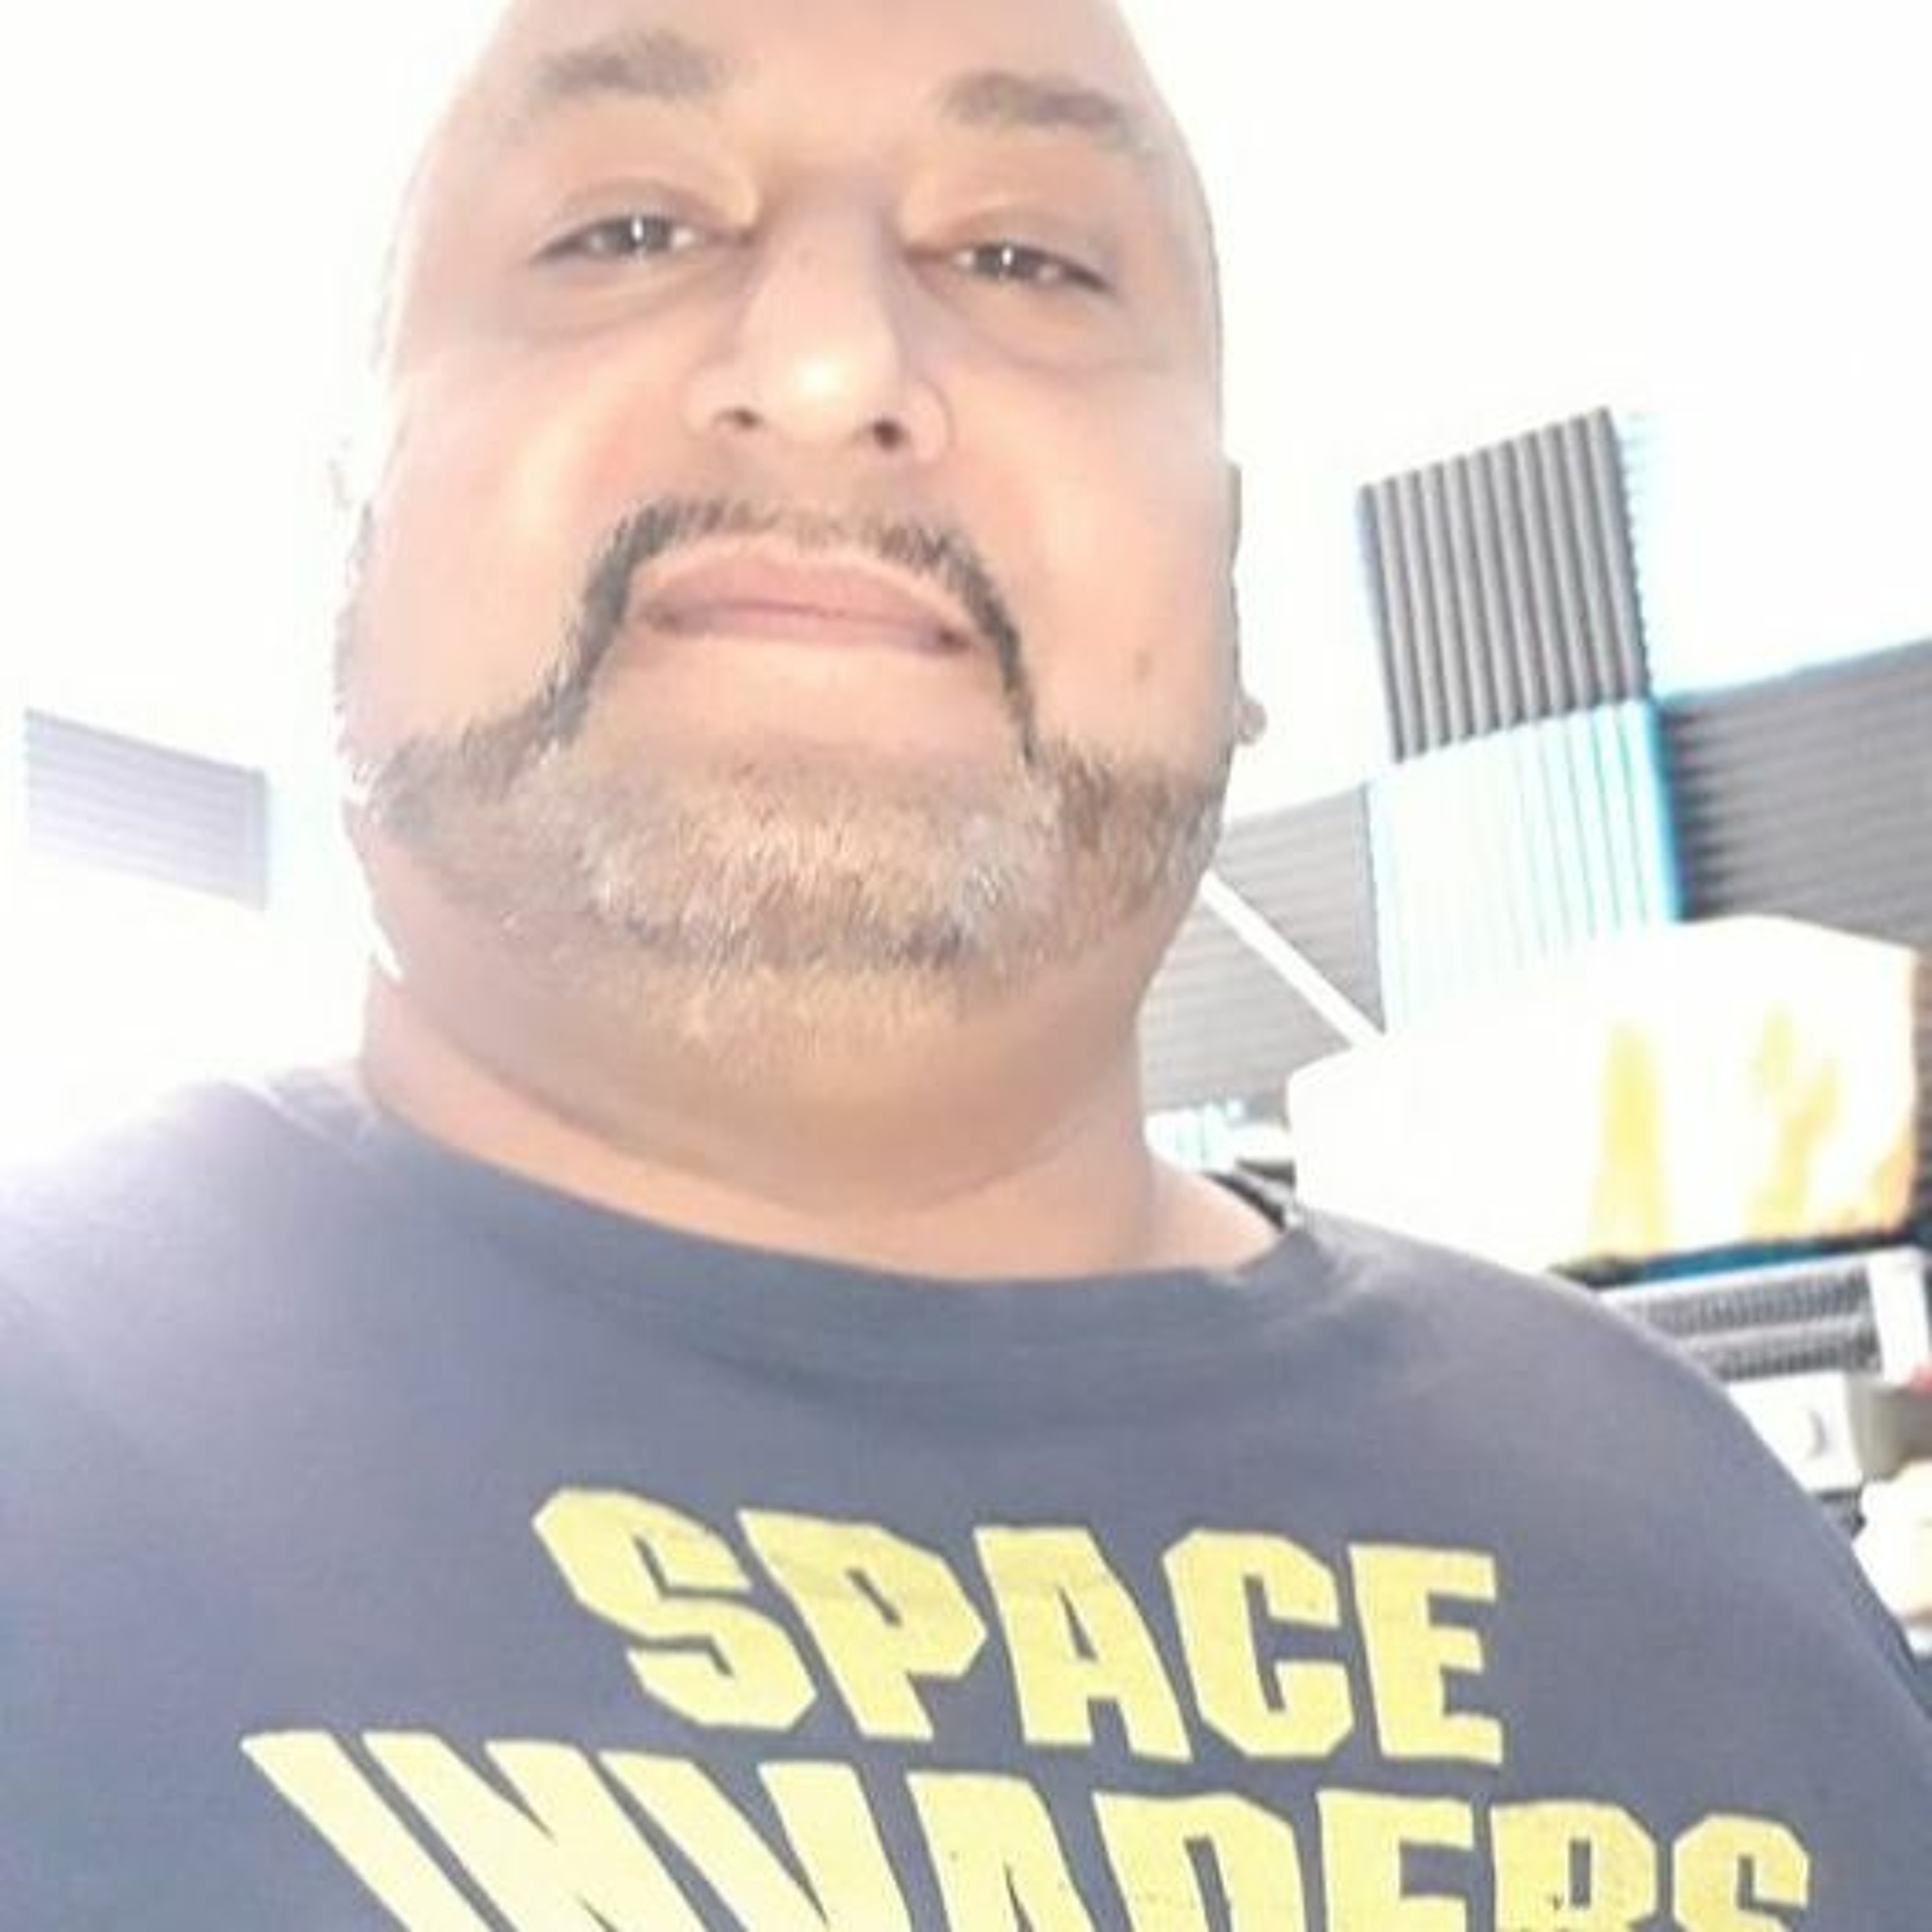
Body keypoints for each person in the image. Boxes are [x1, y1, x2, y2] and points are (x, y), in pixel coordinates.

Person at [3, 0, 1929, 1924]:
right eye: (626, 232)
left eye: (1025, 259)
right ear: (346, 541)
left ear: (1228, 587)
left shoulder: (1690, 1538)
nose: (830, 364)